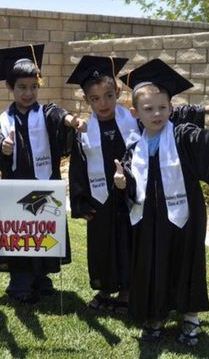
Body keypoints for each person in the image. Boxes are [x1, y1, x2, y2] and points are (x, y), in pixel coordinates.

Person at [114, 58, 209, 345]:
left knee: (186, 262)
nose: (157, 113)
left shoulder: (181, 135)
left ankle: (190, 319)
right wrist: (123, 183)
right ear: (136, 113)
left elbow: (204, 143)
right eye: (149, 109)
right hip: (149, 221)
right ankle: (155, 317)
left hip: (183, 218)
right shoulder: (134, 147)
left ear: (171, 107)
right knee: (151, 264)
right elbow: (132, 184)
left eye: (162, 107)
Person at [0, 44, 87, 304]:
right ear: (10, 88)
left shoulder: (45, 112)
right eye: (22, 87)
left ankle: (42, 279)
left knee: (43, 232)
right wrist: (3, 147)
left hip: (44, 184)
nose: (28, 93)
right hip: (16, 187)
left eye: (33, 87)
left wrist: (71, 121)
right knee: (21, 237)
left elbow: (59, 115)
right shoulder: (3, 120)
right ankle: (20, 285)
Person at [67, 55, 135, 313]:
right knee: (102, 244)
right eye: (95, 99)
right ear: (86, 100)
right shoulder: (83, 130)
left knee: (128, 242)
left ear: (117, 91)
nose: (103, 103)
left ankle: (127, 290)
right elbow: (77, 167)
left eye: (108, 95)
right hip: (100, 198)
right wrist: (81, 200)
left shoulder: (132, 121)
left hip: (129, 195)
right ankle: (105, 288)